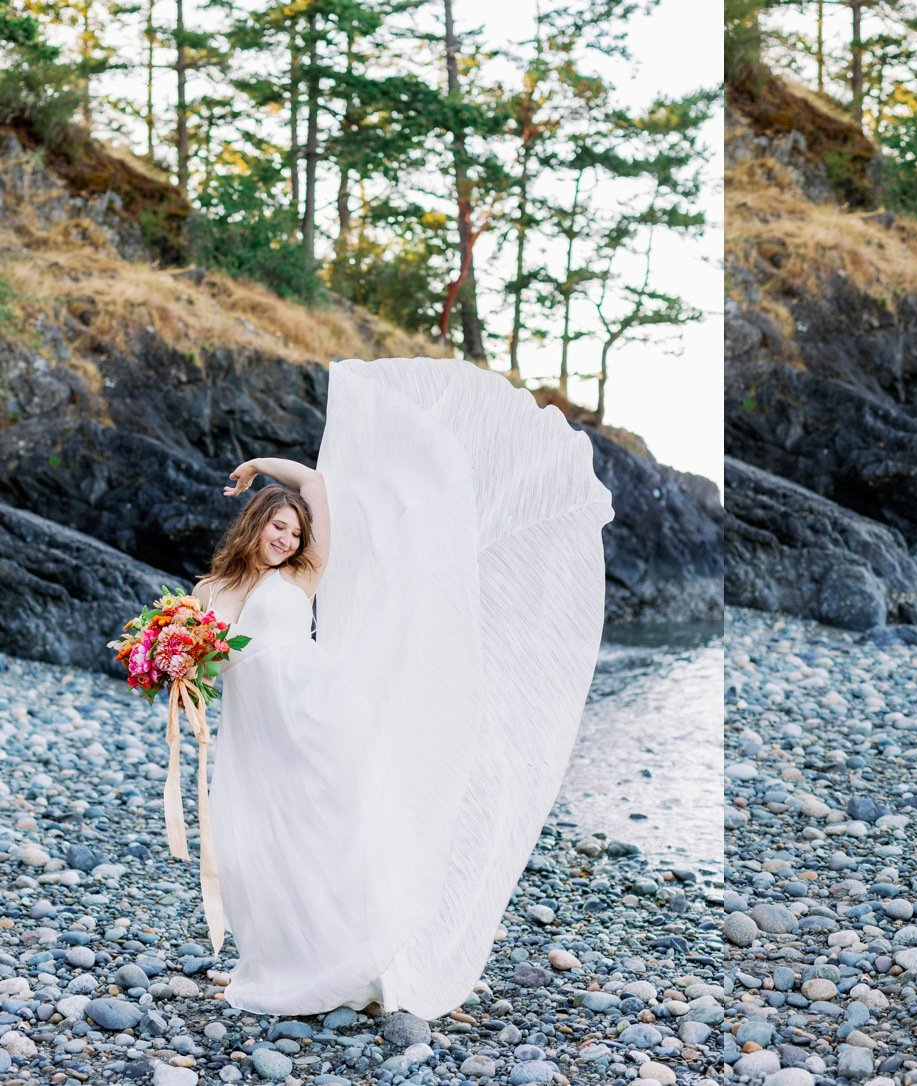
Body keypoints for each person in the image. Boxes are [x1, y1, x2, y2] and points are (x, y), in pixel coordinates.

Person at [190, 355, 614, 1018]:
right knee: (254, 845)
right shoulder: (211, 590)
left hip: (316, 713)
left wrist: (266, 467)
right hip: (256, 730)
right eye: (277, 525)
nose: (286, 537)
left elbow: (320, 491)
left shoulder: (300, 577)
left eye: (293, 532)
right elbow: (208, 664)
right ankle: (283, 962)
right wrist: (177, 665)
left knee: (327, 833)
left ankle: (355, 962)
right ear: (254, 526)